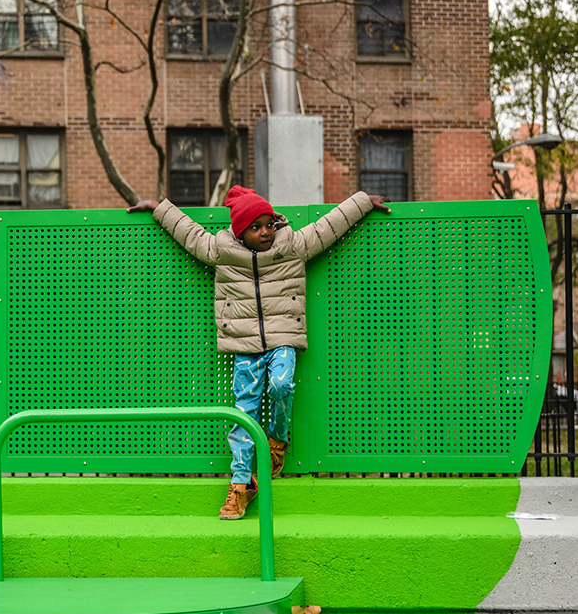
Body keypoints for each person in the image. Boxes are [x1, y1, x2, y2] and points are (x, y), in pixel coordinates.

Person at [127, 185, 391, 520]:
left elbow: (328, 226)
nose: (265, 232)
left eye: (269, 223)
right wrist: (158, 208)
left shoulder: (291, 244)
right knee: (244, 413)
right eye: (256, 227)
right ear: (239, 233)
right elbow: (190, 234)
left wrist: (363, 201)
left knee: (281, 385)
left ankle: (277, 440)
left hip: (282, 340)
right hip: (244, 347)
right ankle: (240, 485)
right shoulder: (222, 250)